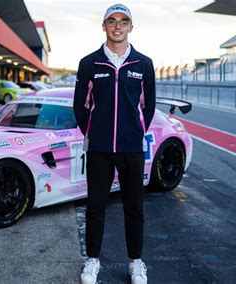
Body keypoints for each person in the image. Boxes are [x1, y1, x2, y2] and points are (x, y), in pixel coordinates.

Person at [73, 3, 156, 284]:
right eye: (112, 21)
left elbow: (148, 107)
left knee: (135, 208)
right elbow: (80, 107)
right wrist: (95, 133)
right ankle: (93, 261)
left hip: (132, 148)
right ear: (104, 25)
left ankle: (136, 262)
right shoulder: (89, 63)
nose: (117, 26)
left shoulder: (143, 64)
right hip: (99, 149)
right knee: (96, 206)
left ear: (131, 27)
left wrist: (134, 133)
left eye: (123, 21)